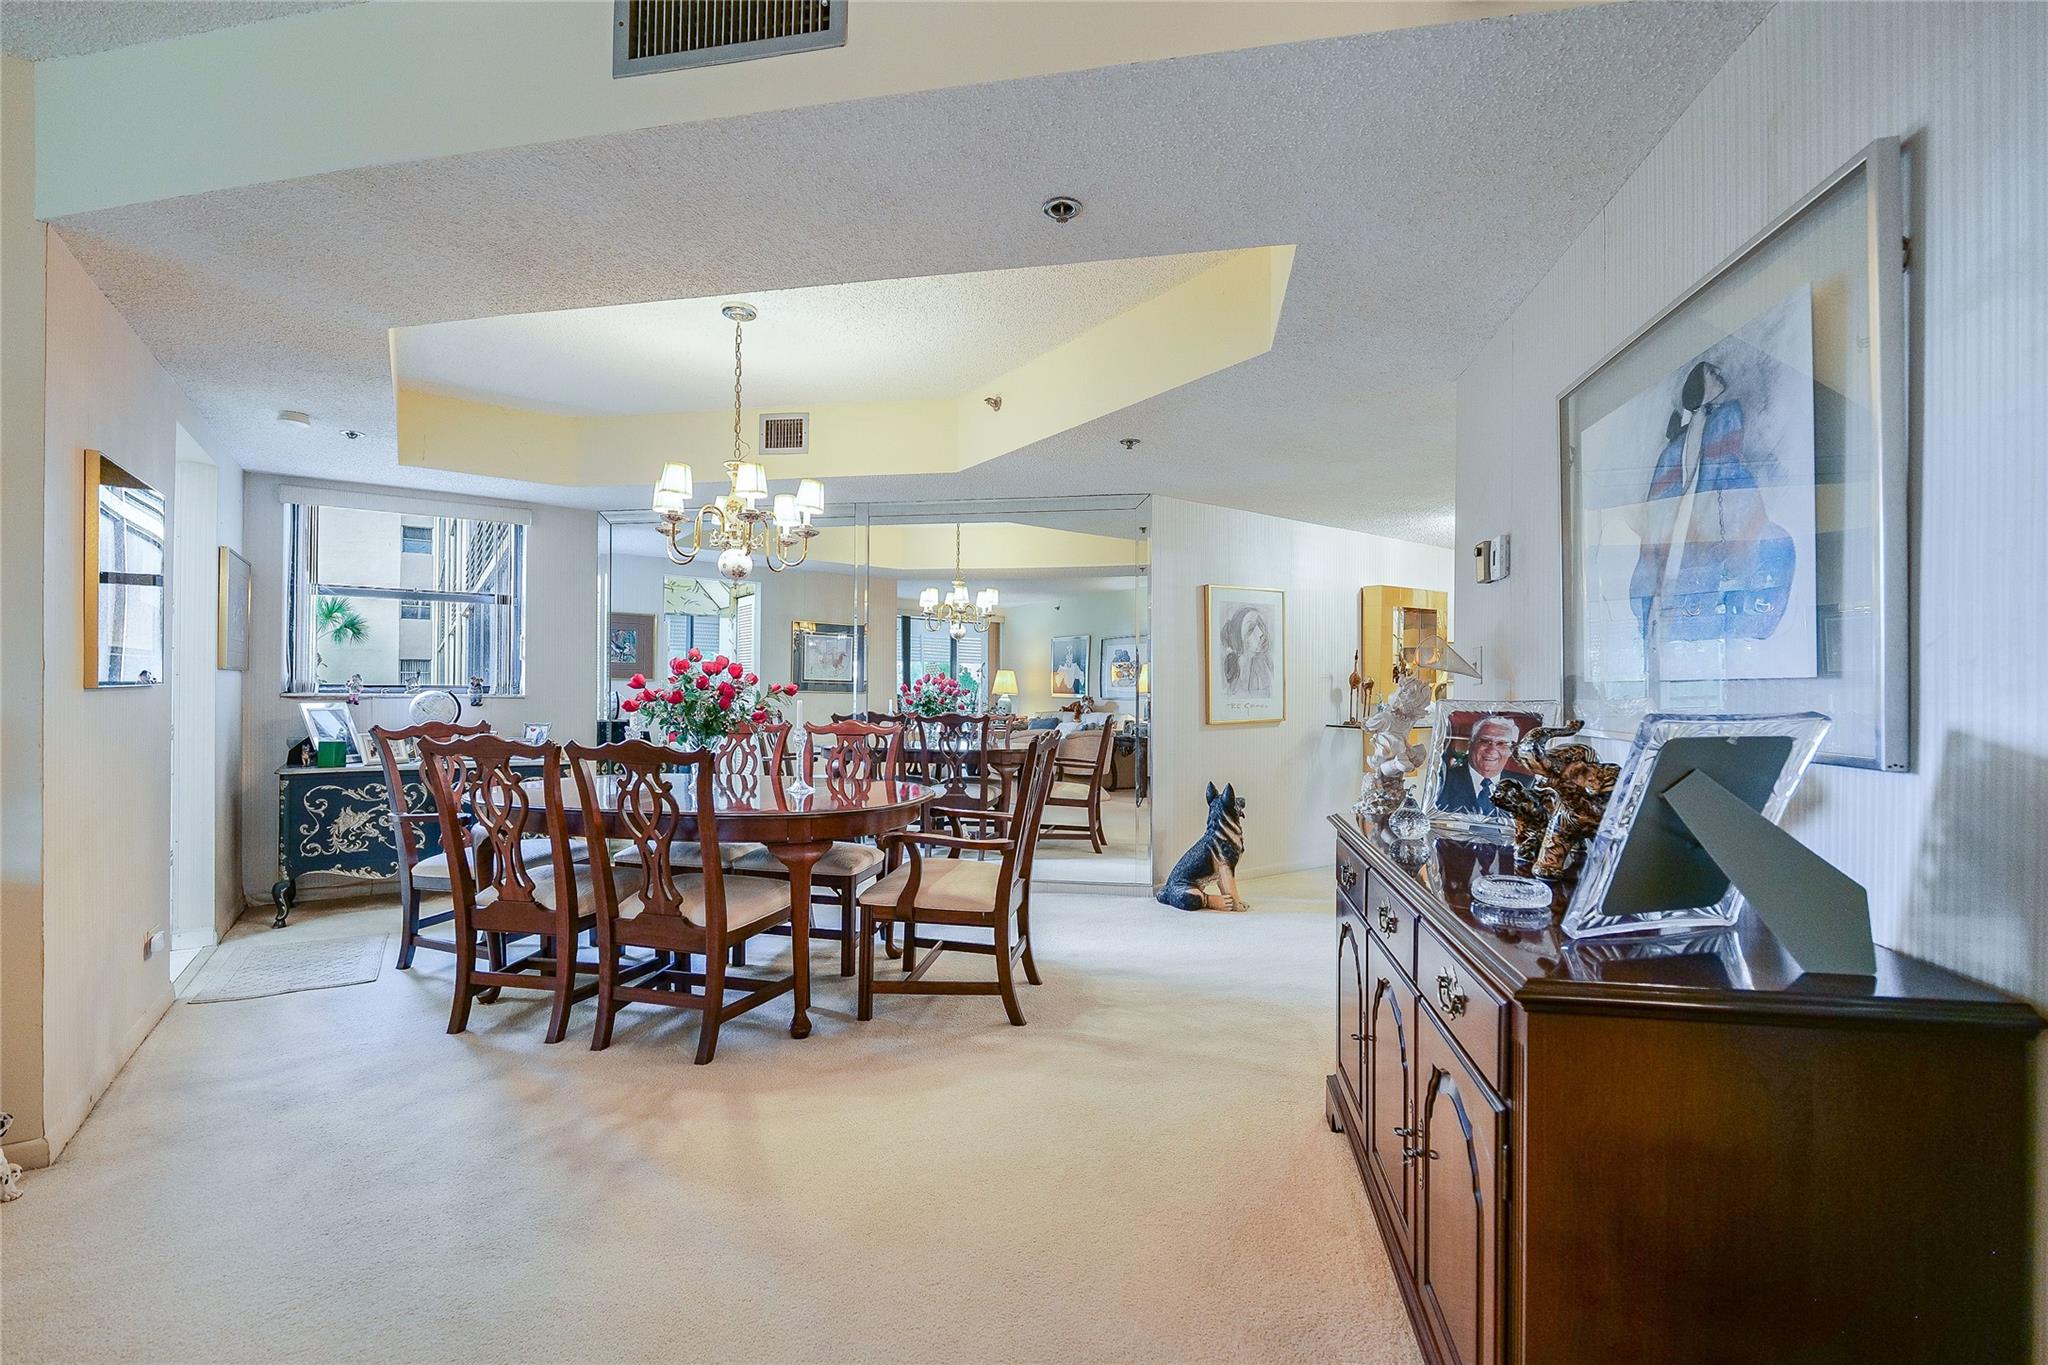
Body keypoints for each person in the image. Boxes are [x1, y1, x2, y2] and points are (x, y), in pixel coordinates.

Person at [1435, 714, 1520, 818]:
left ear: (1511, 750)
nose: (1491, 750)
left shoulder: (1524, 786)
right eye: (1485, 741)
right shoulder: (1441, 782)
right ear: (1470, 743)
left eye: (1501, 743)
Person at [1222, 606, 1273, 696]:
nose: (1261, 633)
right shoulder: (1235, 685)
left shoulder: (1265, 667)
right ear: (1238, 639)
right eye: (1251, 629)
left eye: (1260, 624)